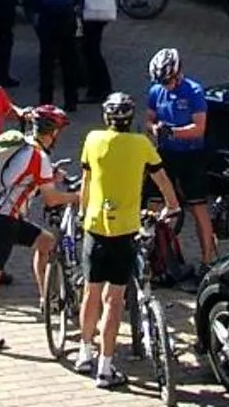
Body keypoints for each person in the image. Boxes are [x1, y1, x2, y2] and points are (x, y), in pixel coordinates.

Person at [74, 92, 178, 390]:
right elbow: (162, 179)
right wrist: (172, 206)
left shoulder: (93, 139)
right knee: (114, 300)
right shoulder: (141, 144)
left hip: (95, 226)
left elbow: (86, 182)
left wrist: (82, 212)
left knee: (91, 293)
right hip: (124, 230)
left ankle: (84, 353)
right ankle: (105, 369)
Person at [0, 104, 73, 352]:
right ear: (53, 132)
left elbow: (22, 178)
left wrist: (50, 177)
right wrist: (79, 197)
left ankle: (46, 298)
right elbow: (52, 199)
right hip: (3, 220)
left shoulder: (24, 147)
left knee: (47, 242)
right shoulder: (39, 157)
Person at [147, 47, 216, 269]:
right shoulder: (156, 91)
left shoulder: (194, 91)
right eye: (161, 82)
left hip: (191, 155)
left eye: (168, 81)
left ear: (178, 74)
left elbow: (199, 128)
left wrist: (172, 132)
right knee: (153, 205)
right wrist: (154, 128)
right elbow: (149, 119)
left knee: (198, 208)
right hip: (165, 154)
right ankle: (153, 260)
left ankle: (207, 260)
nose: (165, 86)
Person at [29, 0, 83, 109]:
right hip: (67, 22)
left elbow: (31, 0)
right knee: (69, 61)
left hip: (47, 23)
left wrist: (36, 20)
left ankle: (45, 102)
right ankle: (71, 101)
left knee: (47, 63)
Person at [78, 0, 119, 103]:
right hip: (102, 12)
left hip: (94, 12)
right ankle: (102, 87)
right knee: (93, 49)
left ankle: (98, 88)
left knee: (91, 50)